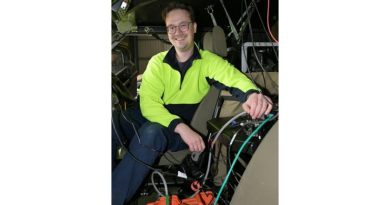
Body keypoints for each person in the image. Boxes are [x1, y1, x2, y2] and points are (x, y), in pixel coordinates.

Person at [111, 2, 273, 205]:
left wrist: (252, 94)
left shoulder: (209, 61)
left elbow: (233, 78)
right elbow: (149, 105)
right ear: (168, 31)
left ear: (194, 27)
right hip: (161, 120)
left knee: (151, 132)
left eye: (183, 25)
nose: (177, 32)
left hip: (178, 131)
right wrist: (178, 126)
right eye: (172, 27)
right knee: (112, 122)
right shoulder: (156, 62)